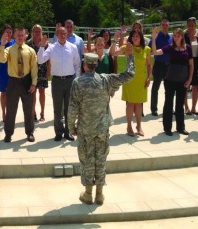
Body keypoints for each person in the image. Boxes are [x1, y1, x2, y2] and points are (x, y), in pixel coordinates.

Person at [68, 52, 135, 205]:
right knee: (101, 160)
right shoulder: (106, 80)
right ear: (96, 65)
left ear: (85, 65)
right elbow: (129, 75)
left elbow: (72, 109)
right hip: (102, 129)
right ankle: (99, 194)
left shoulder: (78, 83)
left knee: (87, 161)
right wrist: (130, 58)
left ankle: (88, 193)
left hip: (85, 130)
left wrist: (71, 127)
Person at [37, 26, 80, 141]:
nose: (62, 35)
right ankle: (58, 132)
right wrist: (41, 46)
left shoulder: (73, 47)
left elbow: (77, 64)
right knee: (57, 108)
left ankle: (68, 132)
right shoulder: (51, 48)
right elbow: (40, 60)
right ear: (56, 35)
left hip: (70, 80)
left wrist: (76, 79)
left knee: (69, 109)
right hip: (56, 81)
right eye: (60, 33)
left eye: (64, 33)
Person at [0, 26, 38, 143]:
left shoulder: (30, 51)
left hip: (26, 81)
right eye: (18, 35)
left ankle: (30, 133)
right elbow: (1, 60)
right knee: (11, 109)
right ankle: (8, 134)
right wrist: (2, 45)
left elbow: (34, 68)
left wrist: (34, 84)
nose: (20, 37)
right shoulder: (9, 49)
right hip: (13, 82)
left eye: (22, 35)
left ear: (25, 35)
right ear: (14, 36)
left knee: (28, 109)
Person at [151, 28, 193, 136]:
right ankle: (167, 128)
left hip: (183, 81)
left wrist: (190, 79)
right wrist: (154, 38)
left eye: (178, 35)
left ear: (182, 36)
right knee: (168, 104)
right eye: (174, 35)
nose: (176, 37)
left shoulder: (187, 48)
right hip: (170, 80)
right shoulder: (169, 48)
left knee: (180, 105)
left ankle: (180, 127)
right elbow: (155, 52)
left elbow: (191, 65)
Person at [120, 29, 151, 136]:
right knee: (130, 104)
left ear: (141, 37)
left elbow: (149, 65)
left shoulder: (146, 49)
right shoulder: (127, 47)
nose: (135, 37)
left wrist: (148, 78)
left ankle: (139, 126)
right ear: (131, 38)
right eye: (133, 36)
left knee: (138, 104)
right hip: (129, 79)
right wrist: (117, 39)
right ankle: (129, 126)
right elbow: (113, 53)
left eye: (137, 36)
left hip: (141, 80)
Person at [148, 19, 172, 116]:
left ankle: (168, 108)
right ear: (160, 26)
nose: (165, 26)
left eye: (166, 25)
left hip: (169, 65)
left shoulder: (171, 37)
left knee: (169, 89)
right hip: (158, 64)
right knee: (155, 88)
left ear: (168, 26)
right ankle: (154, 109)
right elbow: (149, 50)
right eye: (163, 25)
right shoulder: (156, 38)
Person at [27, 24, 49, 122]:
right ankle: (33, 113)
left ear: (41, 32)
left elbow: (49, 59)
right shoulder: (28, 43)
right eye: (35, 31)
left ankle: (42, 112)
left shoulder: (45, 44)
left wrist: (48, 70)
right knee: (33, 93)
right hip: (32, 71)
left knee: (42, 91)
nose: (37, 33)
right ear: (32, 32)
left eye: (39, 31)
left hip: (43, 70)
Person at [183, 17, 198, 116]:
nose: (191, 27)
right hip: (185, 62)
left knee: (196, 86)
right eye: (189, 25)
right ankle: (186, 107)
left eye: (193, 25)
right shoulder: (183, 35)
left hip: (197, 62)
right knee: (186, 86)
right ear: (187, 26)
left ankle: (193, 108)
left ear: (195, 25)